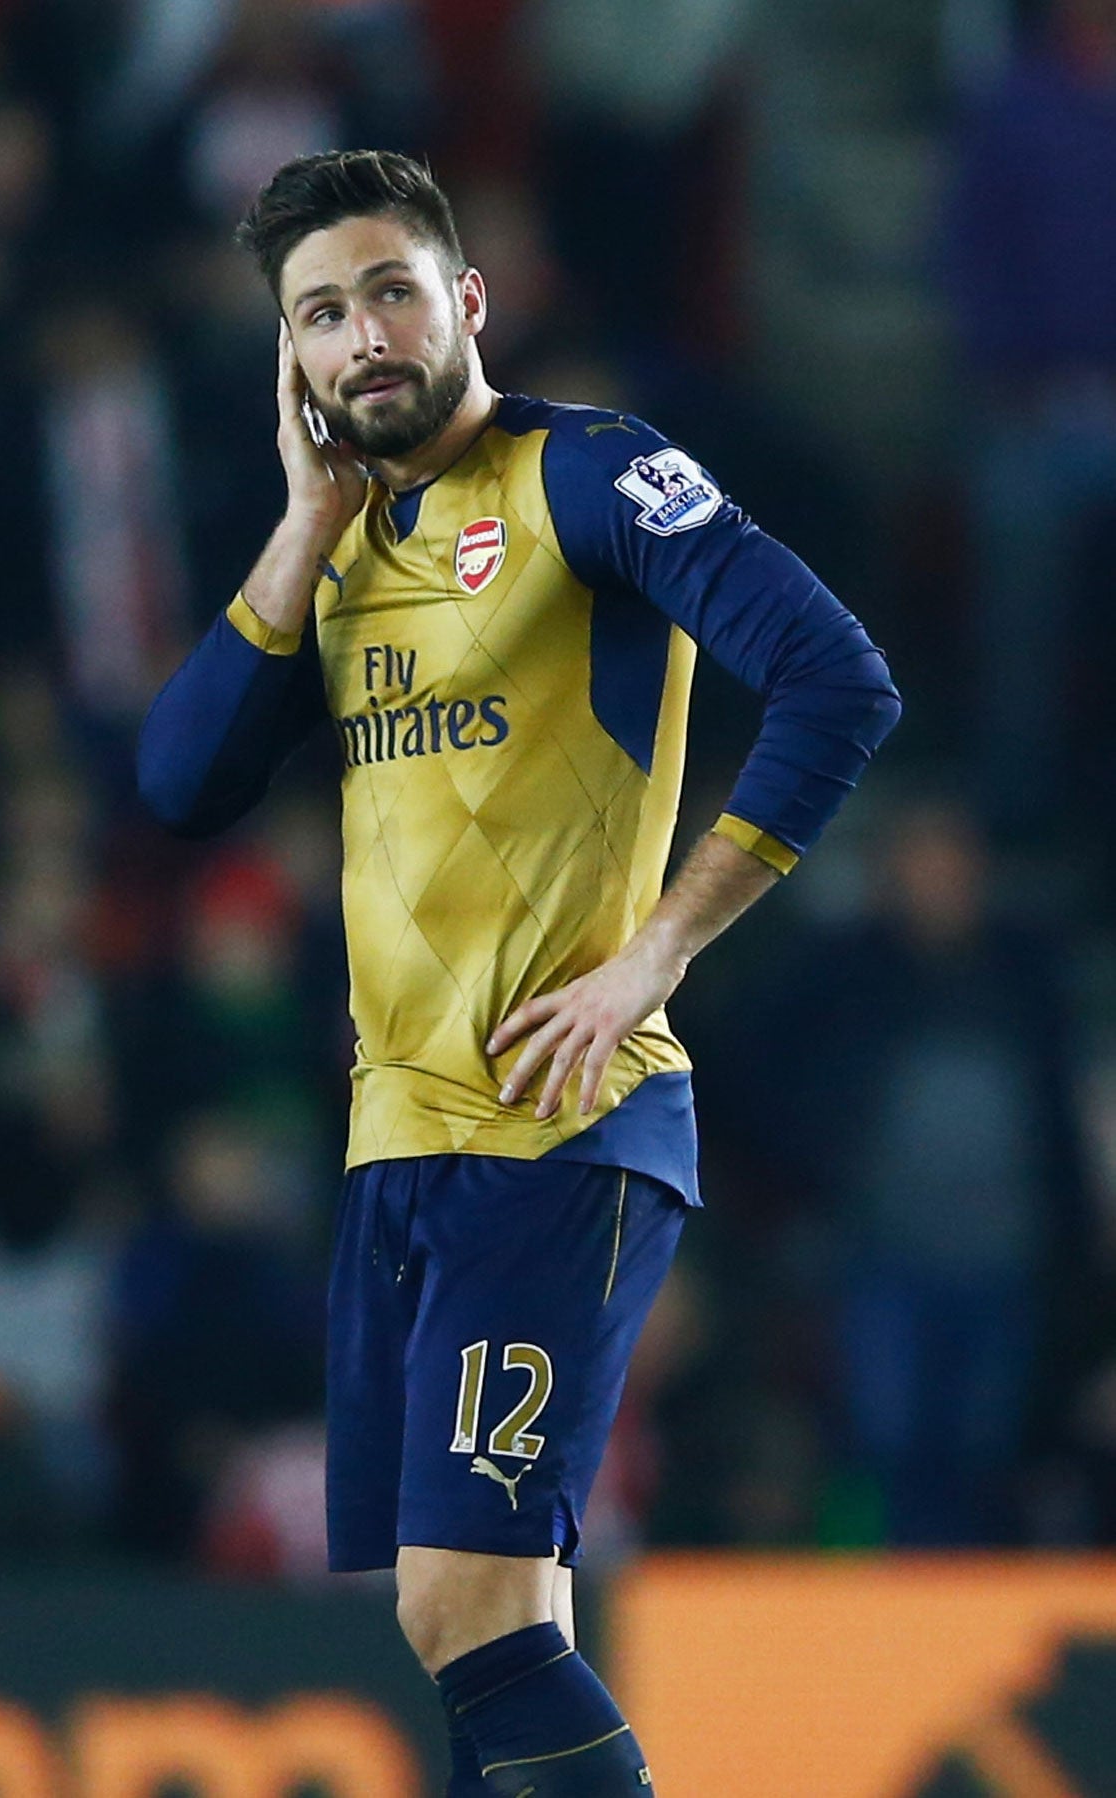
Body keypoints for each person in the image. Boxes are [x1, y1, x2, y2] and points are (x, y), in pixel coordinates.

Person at [138, 152, 899, 1795]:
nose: (362, 338)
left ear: (466, 300)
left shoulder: (589, 476)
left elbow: (835, 678)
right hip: (399, 1143)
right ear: (289, 360)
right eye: (319, 314)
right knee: (472, 1616)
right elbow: (180, 782)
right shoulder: (339, 546)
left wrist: (653, 954)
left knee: (467, 1611)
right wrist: (297, 525)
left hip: (555, 1125)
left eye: (389, 291)